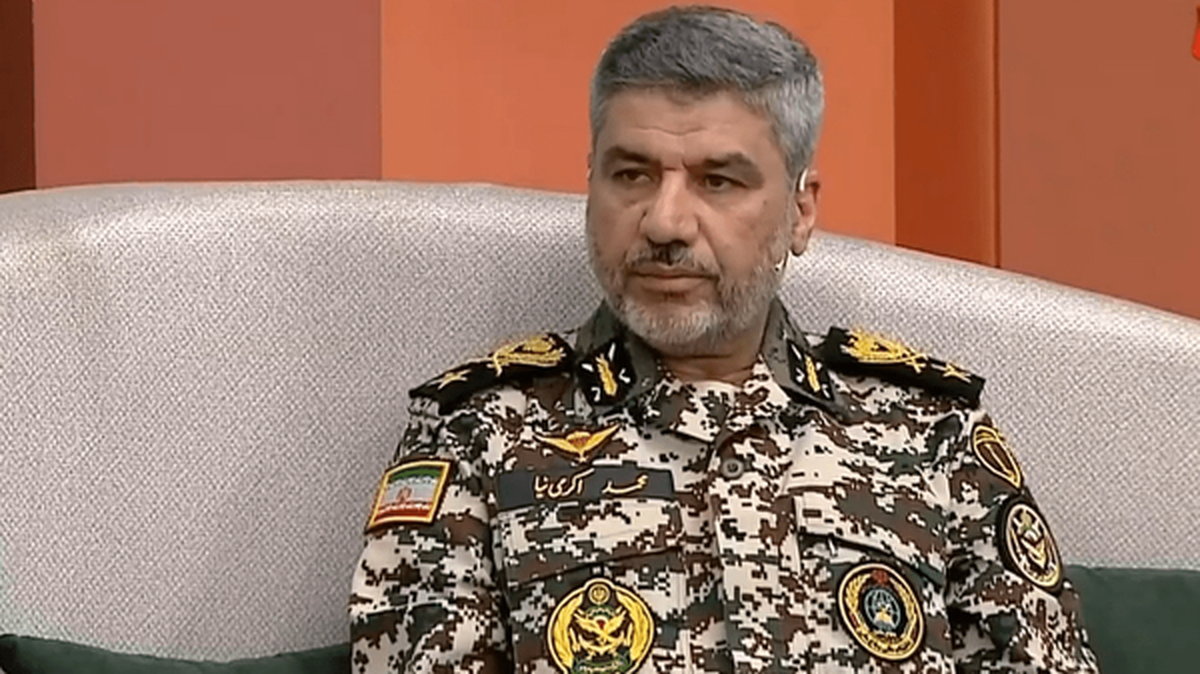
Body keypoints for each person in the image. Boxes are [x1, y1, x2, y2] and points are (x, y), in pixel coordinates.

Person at [349, 6, 1099, 673]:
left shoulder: (933, 431)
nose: (665, 223)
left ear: (801, 212)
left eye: (718, 182)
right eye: (632, 175)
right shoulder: (477, 433)